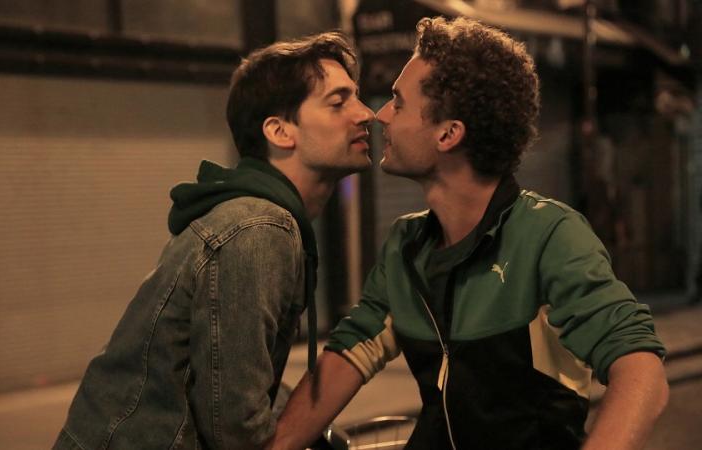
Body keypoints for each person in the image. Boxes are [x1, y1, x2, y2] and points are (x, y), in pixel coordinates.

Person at [268, 17, 668, 450]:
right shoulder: (406, 245)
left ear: (448, 133)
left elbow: (640, 369)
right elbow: (348, 353)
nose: (380, 114)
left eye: (399, 102)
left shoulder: (547, 235)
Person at [53, 32, 374, 450]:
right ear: (279, 131)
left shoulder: (259, 217)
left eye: (357, 98)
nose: (366, 114)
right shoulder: (259, 227)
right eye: (338, 102)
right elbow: (236, 428)